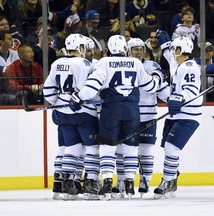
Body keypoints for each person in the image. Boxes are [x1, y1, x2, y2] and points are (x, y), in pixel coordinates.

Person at [69, 34, 162, 200]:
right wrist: (158, 76)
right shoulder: (135, 62)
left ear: (109, 49)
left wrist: (78, 97)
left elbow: (92, 86)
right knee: (131, 147)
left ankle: (107, 180)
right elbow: (151, 86)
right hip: (132, 110)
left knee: (108, 146)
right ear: (125, 49)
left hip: (110, 111)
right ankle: (129, 183)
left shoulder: (104, 62)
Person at [111, 37, 169, 199]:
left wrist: (170, 99)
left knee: (146, 150)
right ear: (128, 51)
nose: (138, 52)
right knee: (121, 150)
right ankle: (122, 181)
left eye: (141, 48)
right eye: (135, 49)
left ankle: (145, 181)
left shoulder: (152, 66)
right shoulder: (122, 66)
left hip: (148, 115)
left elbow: (161, 88)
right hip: (127, 115)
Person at [43, 34, 99, 200]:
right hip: (84, 113)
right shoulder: (85, 64)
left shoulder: (56, 63)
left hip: (63, 113)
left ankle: (68, 186)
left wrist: (60, 102)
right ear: (81, 48)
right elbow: (92, 89)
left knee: (71, 148)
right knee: (91, 148)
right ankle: (91, 184)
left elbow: (48, 91)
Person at [154, 30, 202, 198]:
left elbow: (191, 90)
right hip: (176, 115)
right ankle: (172, 180)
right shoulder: (179, 64)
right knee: (167, 148)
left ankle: (168, 181)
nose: (173, 52)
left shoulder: (189, 68)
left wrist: (179, 98)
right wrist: (165, 45)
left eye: (175, 49)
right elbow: (170, 58)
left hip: (187, 115)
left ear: (181, 50)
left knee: (171, 148)